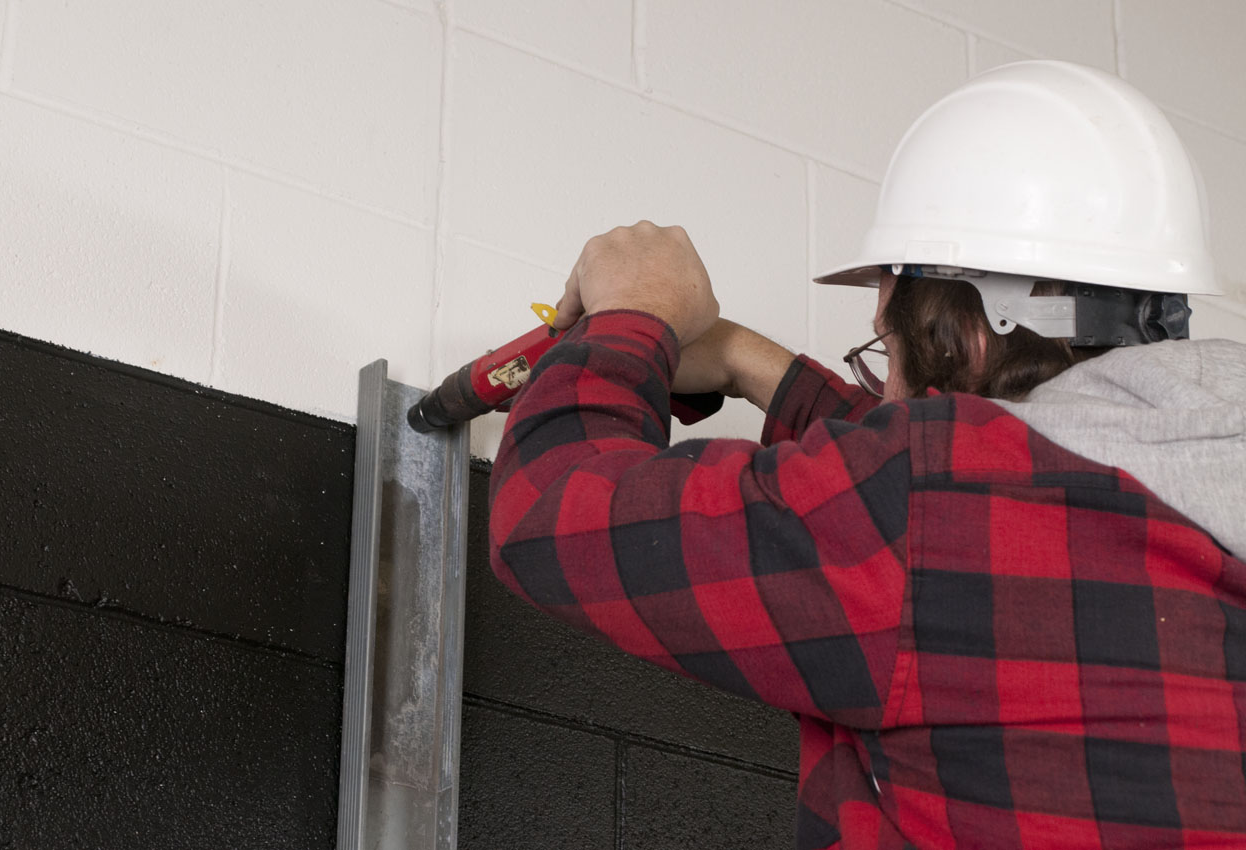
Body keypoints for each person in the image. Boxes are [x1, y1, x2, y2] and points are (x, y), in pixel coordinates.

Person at [489, 60, 1246, 849]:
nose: (884, 393)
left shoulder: (933, 511)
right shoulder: (1179, 500)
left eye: (886, 349)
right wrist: (754, 363)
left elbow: (547, 508)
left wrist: (635, 318)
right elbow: (979, 519)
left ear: (975, 330)